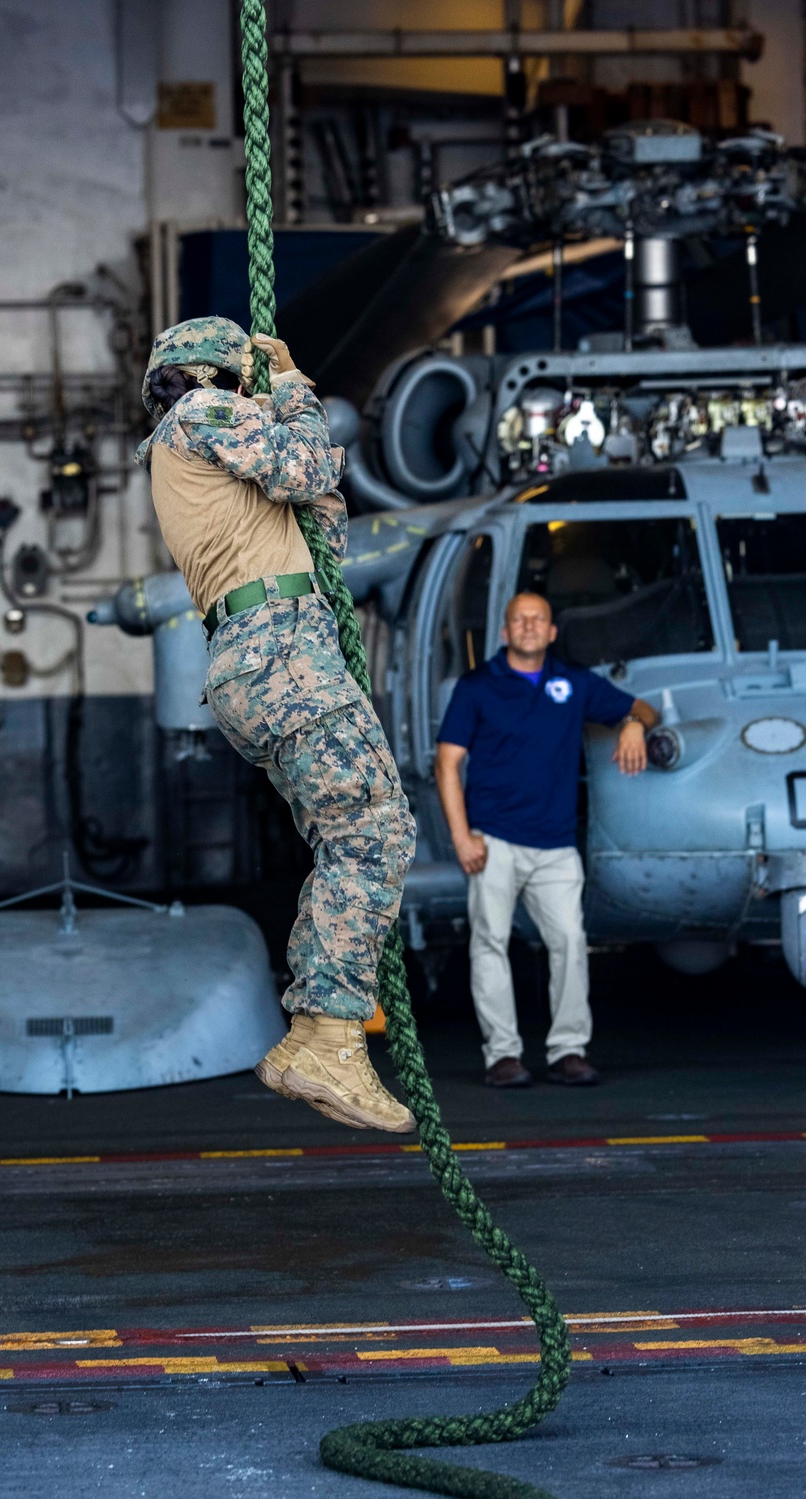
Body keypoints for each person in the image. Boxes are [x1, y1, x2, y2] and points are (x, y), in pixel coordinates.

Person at [136, 315, 416, 1133]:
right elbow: (305, 463)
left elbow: (320, 512)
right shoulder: (196, 418)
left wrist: (294, 420)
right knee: (375, 831)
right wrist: (292, 388)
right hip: (280, 649)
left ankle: (322, 1030)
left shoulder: (207, 454)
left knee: (355, 833)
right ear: (221, 377)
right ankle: (326, 1035)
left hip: (274, 651)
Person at [434, 591, 659, 1088]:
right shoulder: (476, 687)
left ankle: (568, 1051)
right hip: (492, 840)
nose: (529, 626)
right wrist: (461, 836)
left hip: (556, 845)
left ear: (553, 631)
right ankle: (502, 1056)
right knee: (489, 944)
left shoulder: (572, 682)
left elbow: (646, 709)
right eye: (519, 619)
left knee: (571, 943)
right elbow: (447, 764)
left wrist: (631, 727)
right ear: (505, 632)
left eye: (538, 619)